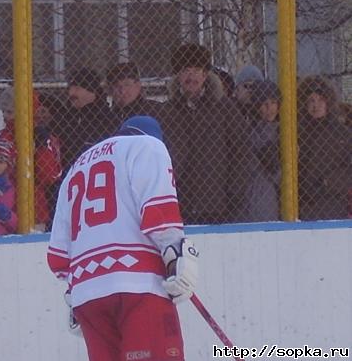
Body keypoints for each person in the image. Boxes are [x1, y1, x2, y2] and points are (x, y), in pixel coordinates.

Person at [47, 115, 199, 361]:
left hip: (87, 296)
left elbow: (58, 256)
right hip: (138, 287)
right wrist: (175, 255)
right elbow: (159, 211)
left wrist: (75, 289)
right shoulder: (148, 146)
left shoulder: (75, 167)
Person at [163, 43, 255, 224]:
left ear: (205, 75)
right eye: (186, 71)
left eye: (196, 70)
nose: (191, 76)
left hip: (217, 205)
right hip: (179, 203)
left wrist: (233, 194)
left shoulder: (225, 108)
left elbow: (241, 152)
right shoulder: (167, 111)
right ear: (178, 76)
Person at [0, 87, 62, 231]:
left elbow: (49, 175)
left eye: (10, 112)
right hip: (5, 206)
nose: (5, 116)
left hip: (35, 208)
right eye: (3, 112)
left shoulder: (43, 139)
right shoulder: (2, 138)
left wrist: (41, 148)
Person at [297, 76, 352, 220]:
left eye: (321, 100)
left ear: (328, 102)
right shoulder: (297, 132)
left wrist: (329, 182)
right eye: (311, 101)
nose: (316, 106)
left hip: (333, 202)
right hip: (302, 202)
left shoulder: (343, 134)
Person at [56, 67, 119, 168]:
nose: (72, 93)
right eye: (70, 88)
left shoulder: (108, 121)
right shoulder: (63, 119)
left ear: (91, 91)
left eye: (77, 88)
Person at [245, 80, 282, 221]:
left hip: (272, 192)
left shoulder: (282, 132)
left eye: (273, 102)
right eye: (264, 103)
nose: (269, 108)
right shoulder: (249, 131)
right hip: (255, 191)